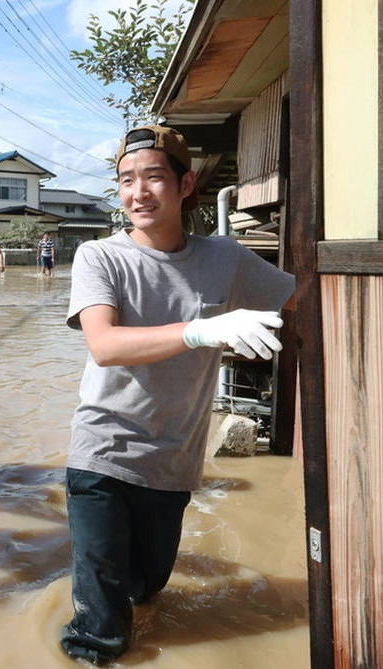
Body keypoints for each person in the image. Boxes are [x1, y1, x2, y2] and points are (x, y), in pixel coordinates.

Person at [59, 125, 295, 665]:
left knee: (147, 592)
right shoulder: (100, 257)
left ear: (186, 184)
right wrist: (200, 329)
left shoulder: (226, 259)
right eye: (125, 180)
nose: (137, 193)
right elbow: (104, 344)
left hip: (174, 462)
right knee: (101, 631)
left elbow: (300, 299)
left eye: (153, 178)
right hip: (102, 454)